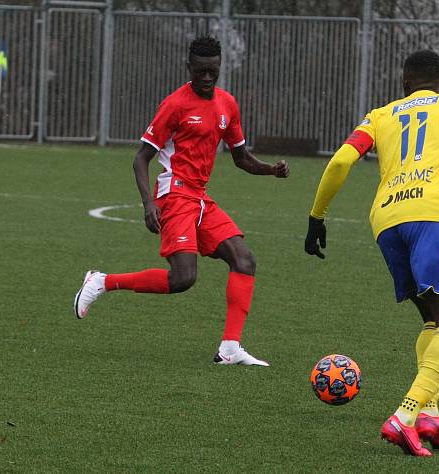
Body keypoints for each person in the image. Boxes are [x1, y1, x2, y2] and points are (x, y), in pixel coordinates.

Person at [304, 50, 439, 456]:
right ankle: (404, 415)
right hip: (431, 217)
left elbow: (340, 162)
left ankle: (429, 413)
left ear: (404, 83)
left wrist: (317, 217)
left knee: (433, 320)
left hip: (386, 222)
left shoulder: (380, 115)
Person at [74, 36, 289, 366]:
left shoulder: (227, 105)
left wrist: (271, 170)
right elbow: (141, 158)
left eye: (213, 71)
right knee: (183, 279)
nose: (207, 77)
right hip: (174, 195)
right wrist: (149, 203)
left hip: (200, 199)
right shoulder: (174, 105)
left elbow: (241, 157)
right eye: (201, 70)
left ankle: (230, 348)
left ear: (220, 68)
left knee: (244, 260)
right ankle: (102, 281)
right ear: (189, 67)